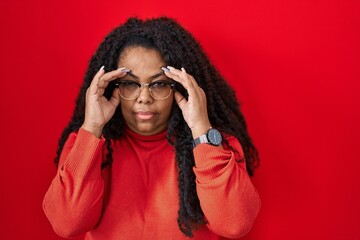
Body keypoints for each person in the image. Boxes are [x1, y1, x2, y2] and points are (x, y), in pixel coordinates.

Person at [43, 16, 261, 239]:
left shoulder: (214, 145)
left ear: (181, 87)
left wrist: (201, 130)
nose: (144, 97)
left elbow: (235, 224)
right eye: (129, 84)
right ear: (111, 86)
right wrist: (92, 127)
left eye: (158, 84)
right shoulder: (84, 145)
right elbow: (66, 224)